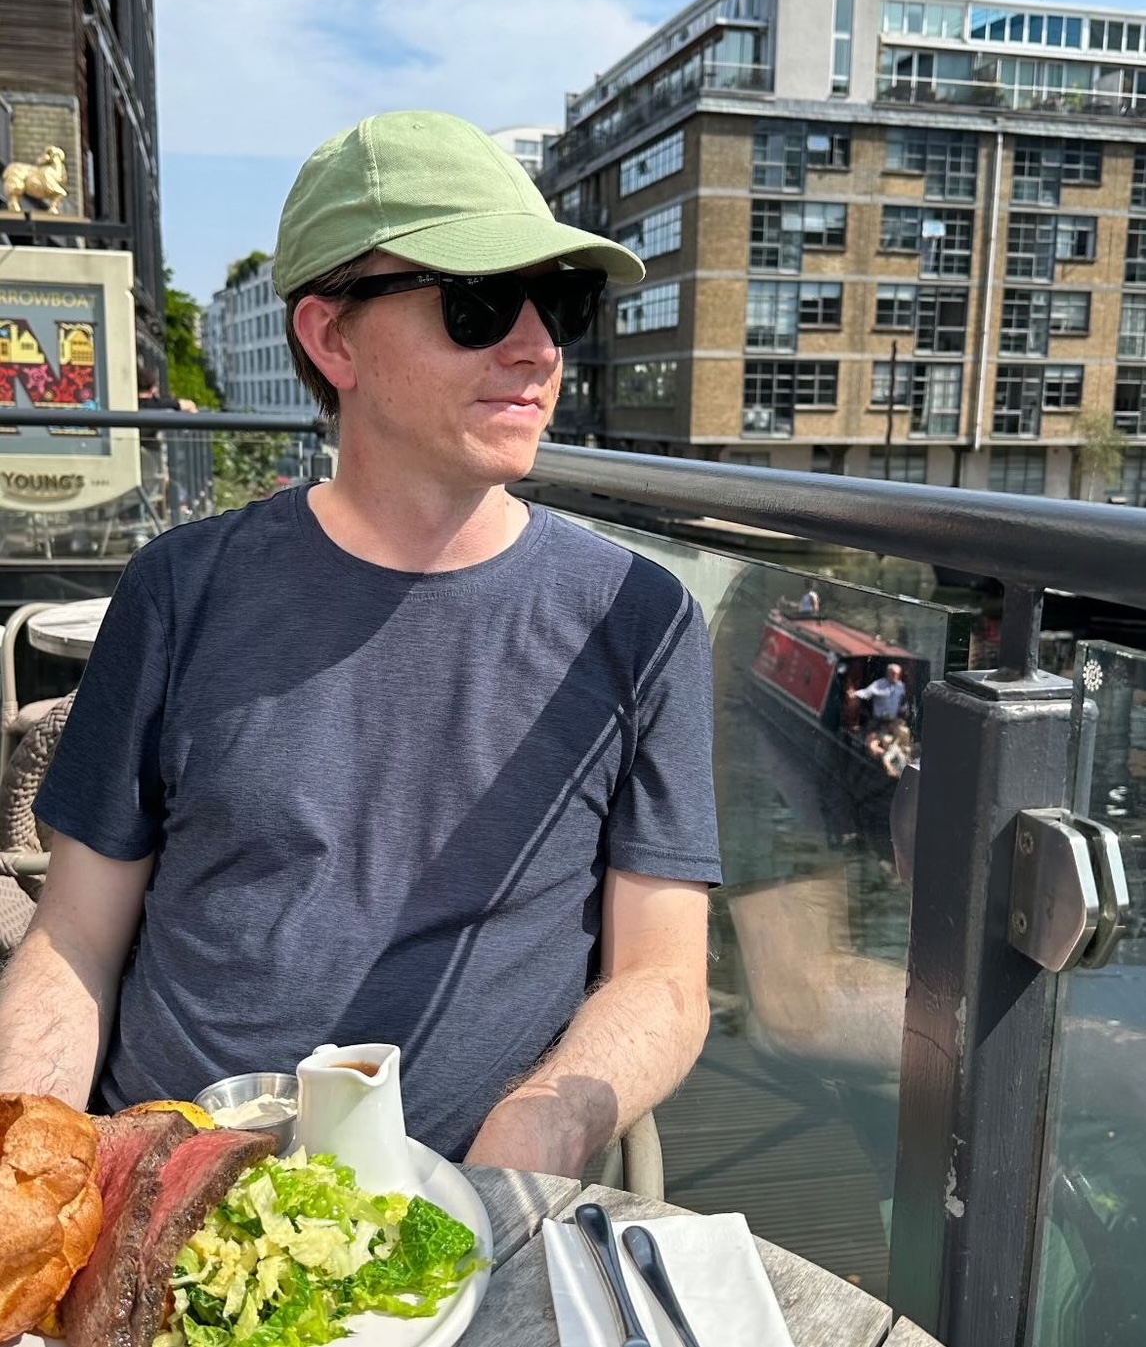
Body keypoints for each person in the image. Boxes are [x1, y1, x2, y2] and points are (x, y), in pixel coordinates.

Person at [0, 111, 721, 1178]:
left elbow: (663, 974)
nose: (537, 347)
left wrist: (532, 1139)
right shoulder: (179, 590)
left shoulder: (640, 619)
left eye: (559, 302)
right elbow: (75, 940)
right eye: (477, 305)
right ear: (331, 338)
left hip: (464, 1211)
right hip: (164, 1190)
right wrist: (29, 1184)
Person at [848, 662, 907, 730]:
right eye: (893, 673)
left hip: (892, 721)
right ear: (888, 673)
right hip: (878, 721)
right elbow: (866, 692)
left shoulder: (901, 686)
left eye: (898, 674)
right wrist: (855, 694)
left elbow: (902, 700)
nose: (896, 676)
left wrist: (902, 708)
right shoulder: (879, 684)